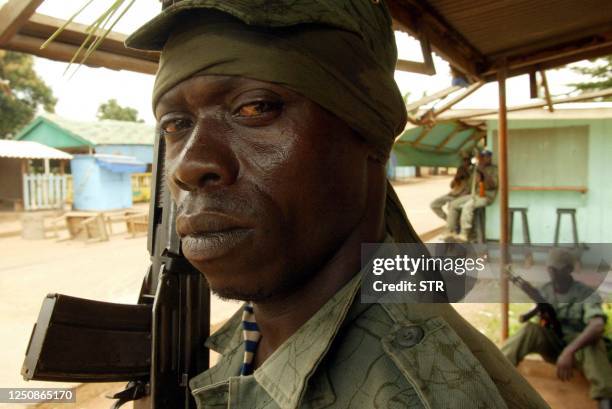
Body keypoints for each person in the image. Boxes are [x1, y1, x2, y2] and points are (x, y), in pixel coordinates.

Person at [126, 1, 549, 407]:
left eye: (255, 108)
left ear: (367, 132)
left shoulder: (423, 395)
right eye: (176, 125)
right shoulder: (265, 328)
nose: (190, 166)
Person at [502, 248, 612, 408]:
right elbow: (534, 316)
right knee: (530, 330)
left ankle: (606, 400)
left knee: (593, 344)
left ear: (569, 270)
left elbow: (597, 326)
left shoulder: (585, 293)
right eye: (550, 268)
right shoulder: (545, 290)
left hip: (580, 351)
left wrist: (569, 352)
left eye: (556, 269)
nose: (552, 272)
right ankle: (491, 370)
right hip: (554, 345)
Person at [446, 149, 498, 242]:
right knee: (453, 204)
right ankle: (451, 231)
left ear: (490, 158)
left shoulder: (494, 169)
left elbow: (492, 185)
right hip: (474, 195)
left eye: (486, 157)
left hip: (486, 197)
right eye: (482, 157)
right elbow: (469, 186)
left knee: (468, 206)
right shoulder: (476, 170)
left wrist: (483, 172)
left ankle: (464, 234)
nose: (483, 159)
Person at [430, 152, 472, 221]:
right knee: (434, 204)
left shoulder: (471, 173)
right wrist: (457, 178)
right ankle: (448, 220)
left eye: (466, 160)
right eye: (463, 160)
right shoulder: (460, 171)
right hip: (451, 194)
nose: (464, 162)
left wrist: (466, 175)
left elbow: (470, 190)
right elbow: (451, 186)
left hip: (461, 196)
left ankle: (453, 223)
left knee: (451, 206)